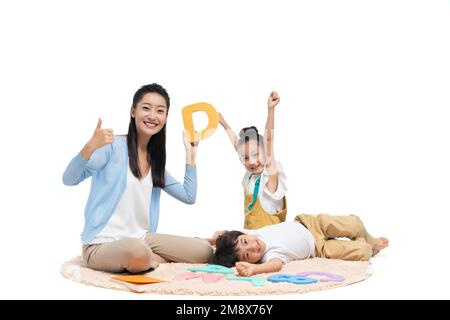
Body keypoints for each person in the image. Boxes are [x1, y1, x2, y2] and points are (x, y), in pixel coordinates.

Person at [63, 83, 213, 273]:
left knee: (204, 251)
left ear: (166, 117)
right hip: (101, 244)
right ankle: (147, 259)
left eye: (160, 111)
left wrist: (191, 154)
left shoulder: (155, 161)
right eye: (146, 108)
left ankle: (146, 259)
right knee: (138, 250)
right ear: (133, 112)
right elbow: (69, 179)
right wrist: (90, 147)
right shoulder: (112, 147)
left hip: (142, 238)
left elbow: (188, 196)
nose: (152, 116)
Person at [210, 213, 389, 276]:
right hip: (320, 249)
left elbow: (222, 234)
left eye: (245, 242)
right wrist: (253, 269)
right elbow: (275, 266)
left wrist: (210, 240)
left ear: (243, 235)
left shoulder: (249, 234)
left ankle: (371, 240)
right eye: (248, 255)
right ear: (253, 261)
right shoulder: (270, 256)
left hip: (311, 224)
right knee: (362, 251)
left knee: (354, 224)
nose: (252, 246)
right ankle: (369, 248)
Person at [218, 91, 287, 229]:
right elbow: (237, 145)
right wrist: (223, 123)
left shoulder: (269, 176)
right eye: (246, 158)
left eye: (256, 154)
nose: (252, 161)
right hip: (249, 240)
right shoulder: (250, 177)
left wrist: (271, 110)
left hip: (270, 243)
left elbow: (268, 139)